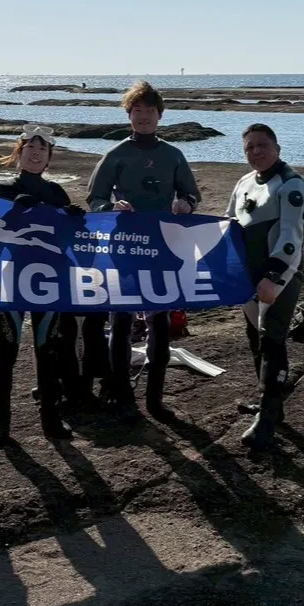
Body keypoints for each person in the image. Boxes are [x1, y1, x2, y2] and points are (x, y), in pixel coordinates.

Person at [86, 80, 200, 421]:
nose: (144, 116)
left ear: (160, 115)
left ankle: (155, 398)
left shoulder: (173, 155)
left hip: (162, 246)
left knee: (159, 321)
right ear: (129, 115)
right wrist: (111, 208)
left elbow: (192, 194)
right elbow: (95, 199)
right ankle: (121, 392)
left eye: (150, 110)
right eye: (138, 110)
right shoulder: (116, 154)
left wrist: (186, 204)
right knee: (120, 321)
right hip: (123, 247)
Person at [0, 125, 83, 446]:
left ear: (49, 157)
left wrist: (77, 220)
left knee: (47, 349)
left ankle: (51, 417)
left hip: (47, 281)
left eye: (43, 149)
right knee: (7, 350)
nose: (36, 154)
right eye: (30, 148)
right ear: (19, 153)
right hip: (11, 281)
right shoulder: (2, 190)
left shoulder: (56, 193)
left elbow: (69, 242)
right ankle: (0, 420)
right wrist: (12, 211)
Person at [226, 123, 304, 452]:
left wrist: (273, 277)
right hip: (249, 277)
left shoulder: (292, 185)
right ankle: (270, 406)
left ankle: (266, 421)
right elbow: (228, 226)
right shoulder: (244, 182)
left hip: (280, 276)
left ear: (277, 148)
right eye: (249, 147)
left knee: (272, 340)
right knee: (255, 339)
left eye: (262, 145)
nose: (256, 151)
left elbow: (291, 238)